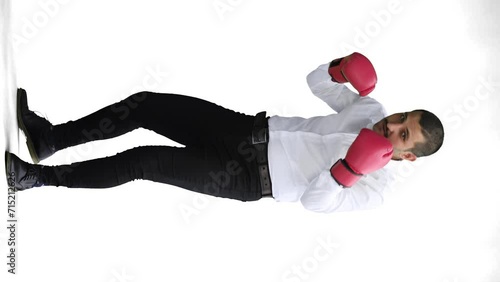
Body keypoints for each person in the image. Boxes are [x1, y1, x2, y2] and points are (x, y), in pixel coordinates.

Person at [5, 52, 444, 213]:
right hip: (244, 128)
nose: (392, 125)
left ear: (408, 157)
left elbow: (315, 203)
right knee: (148, 103)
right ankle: (51, 140)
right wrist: (340, 68)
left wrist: (347, 170)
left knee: (141, 161)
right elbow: (316, 82)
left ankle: (38, 178)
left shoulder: (376, 189)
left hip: (246, 177)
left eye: (402, 135)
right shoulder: (370, 108)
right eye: (402, 117)